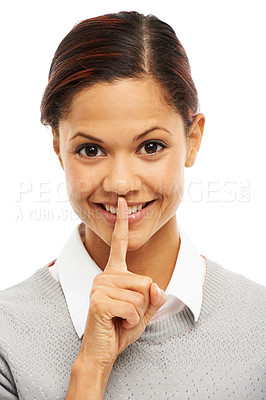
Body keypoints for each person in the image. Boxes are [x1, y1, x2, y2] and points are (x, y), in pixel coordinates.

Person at [0, 10, 265, 400]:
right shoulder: (7, 335)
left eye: (151, 146)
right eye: (90, 150)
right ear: (58, 149)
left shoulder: (259, 322)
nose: (121, 183)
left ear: (193, 140)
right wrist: (90, 368)